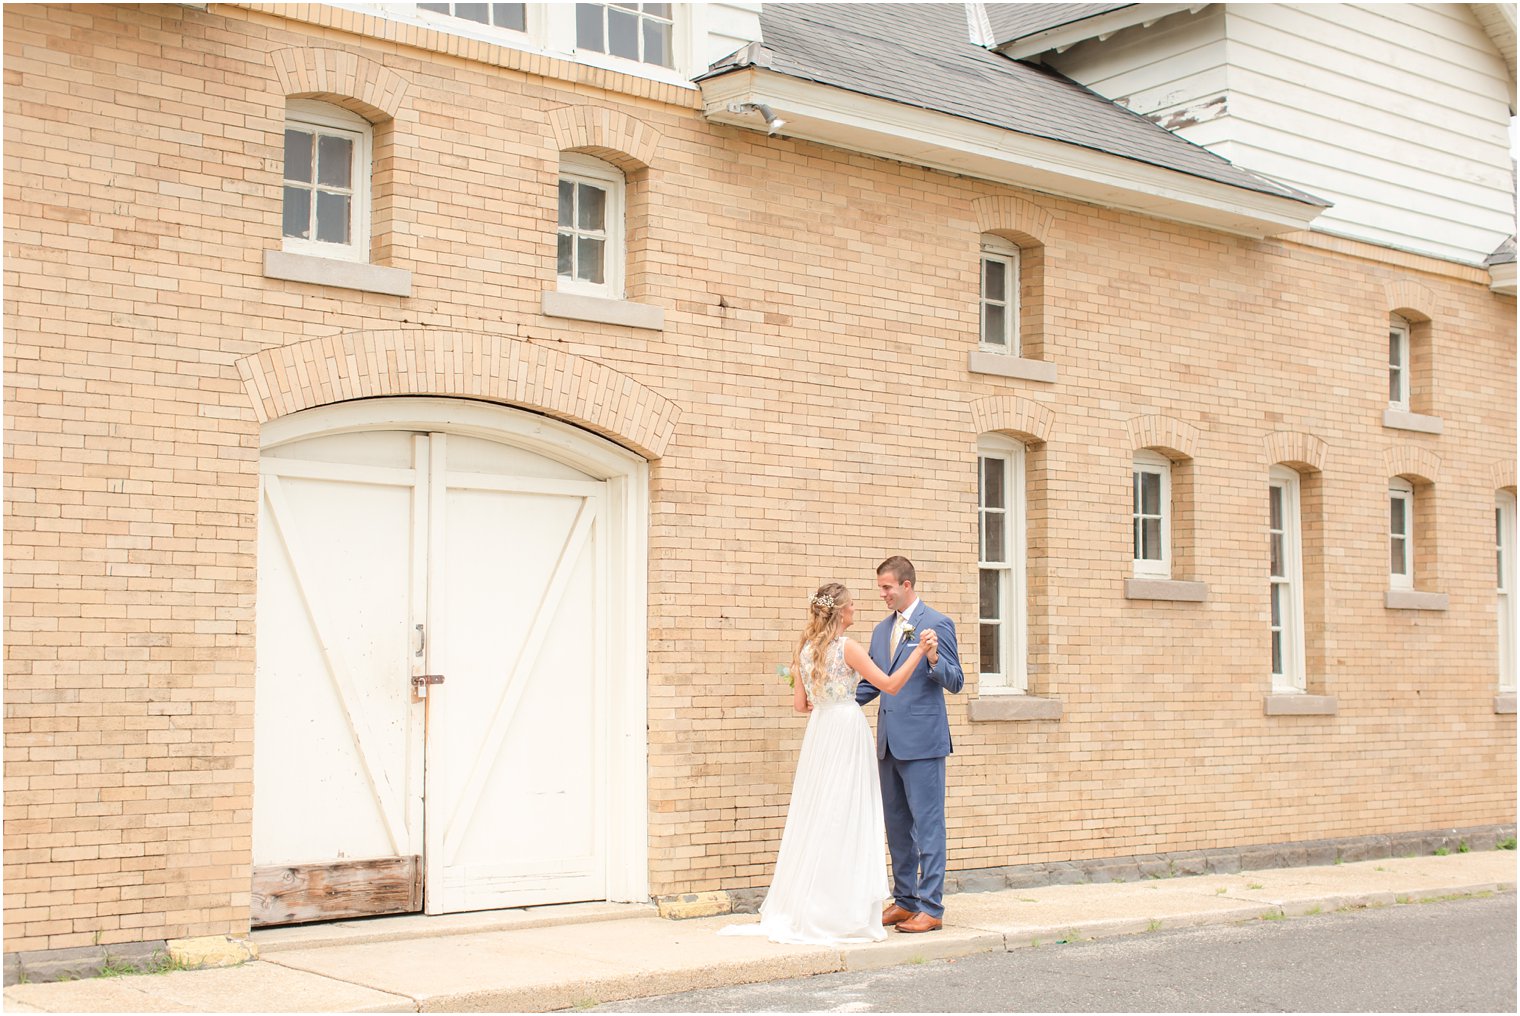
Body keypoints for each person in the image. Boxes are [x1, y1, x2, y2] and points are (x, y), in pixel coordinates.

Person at [720, 582, 938, 945]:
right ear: (840, 611)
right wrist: (919, 652)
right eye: (852, 606)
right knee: (846, 813)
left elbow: (800, 706)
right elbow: (890, 685)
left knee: (820, 812)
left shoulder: (806, 649)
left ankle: (813, 902)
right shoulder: (847, 648)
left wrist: (827, 697)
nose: (856, 610)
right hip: (845, 730)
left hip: (820, 732)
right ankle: (838, 908)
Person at [857, 556, 964, 934]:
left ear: (906, 585)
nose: (882, 595)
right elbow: (875, 682)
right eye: (880, 588)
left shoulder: (937, 623)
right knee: (897, 825)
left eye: (887, 588)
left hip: (923, 743)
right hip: (888, 742)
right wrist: (836, 706)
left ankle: (932, 908)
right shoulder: (879, 630)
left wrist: (933, 656)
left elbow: (956, 681)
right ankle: (905, 901)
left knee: (928, 825)